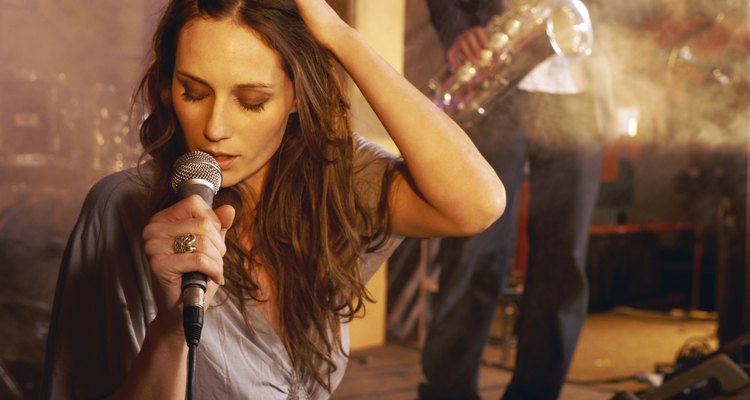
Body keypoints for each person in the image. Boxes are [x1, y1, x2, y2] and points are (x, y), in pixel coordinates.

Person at [41, 0, 506, 398]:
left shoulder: (333, 181)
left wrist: (342, 39)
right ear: (167, 88)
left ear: (297, 96)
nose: (216, 127)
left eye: (252, 100)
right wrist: (171, 327)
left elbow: (478, 204)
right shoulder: (121, 208)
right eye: (194, 92)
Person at [419, 0, 615, 399]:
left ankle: (537, 392)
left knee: (564, 260)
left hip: (581, 93)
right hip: (498, 80)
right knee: (475, 247)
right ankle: (448, 392)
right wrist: (458, 29)